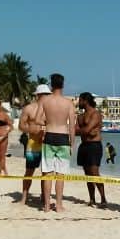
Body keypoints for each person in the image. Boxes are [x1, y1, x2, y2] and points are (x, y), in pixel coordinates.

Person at [36, 73, 76, 212]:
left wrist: (47, 123)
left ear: (51, 85)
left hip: (49, 135)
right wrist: (72, 143)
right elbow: (72, 125)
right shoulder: (68, 103)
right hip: (63, 137)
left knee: (47, 173)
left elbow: (37, 119)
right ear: (63, 85)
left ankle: (46, 205)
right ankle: (58, 205)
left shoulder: (45, 100)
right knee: (60, 174)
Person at [17, 84, 50, 205]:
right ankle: (24, 197)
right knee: (29, 171)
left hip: (47, 143)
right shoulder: (29, 108)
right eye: (45, 95)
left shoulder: (51, 109)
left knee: (46, 172)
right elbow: (21, 125)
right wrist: (31, 130)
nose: (46, 97)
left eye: (48, 95)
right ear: (38, 95)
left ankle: (44, 197)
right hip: (33, 143)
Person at [75, 92, 107, 206]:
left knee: (94, 173)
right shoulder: (80, 116)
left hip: (94, 146)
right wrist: (85, 131)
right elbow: (75, 131)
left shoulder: (96, 114)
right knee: (87, 174)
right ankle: (92, 199)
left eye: (80, 100)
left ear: (85, 101)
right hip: (84, 145)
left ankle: (103, 198)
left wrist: (84, 131)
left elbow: (86, 130)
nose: (78, 102)